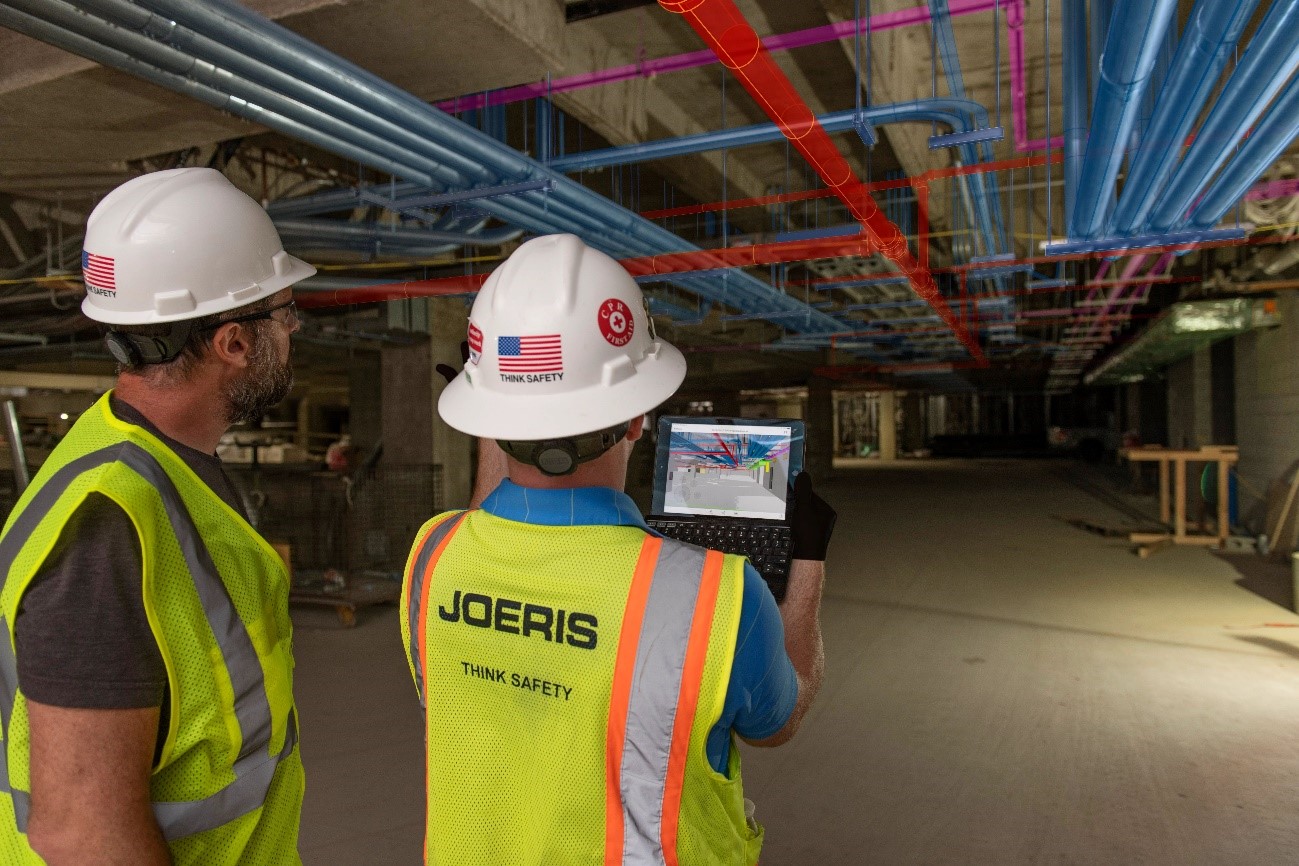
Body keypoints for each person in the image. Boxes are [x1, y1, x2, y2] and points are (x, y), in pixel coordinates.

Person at [400, 233, 836, 864]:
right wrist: (809, 561)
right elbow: (778, 722)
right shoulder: (718, 595)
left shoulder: (433, 557)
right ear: (638, 417)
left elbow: (486, 529)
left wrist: (502, 407)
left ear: (489, 420)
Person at [0, 167, 314, 864]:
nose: (293, 330)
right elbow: (82, 834)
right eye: (285, 313)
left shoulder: (160, 465)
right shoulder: (105, 532)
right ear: (235, 343)